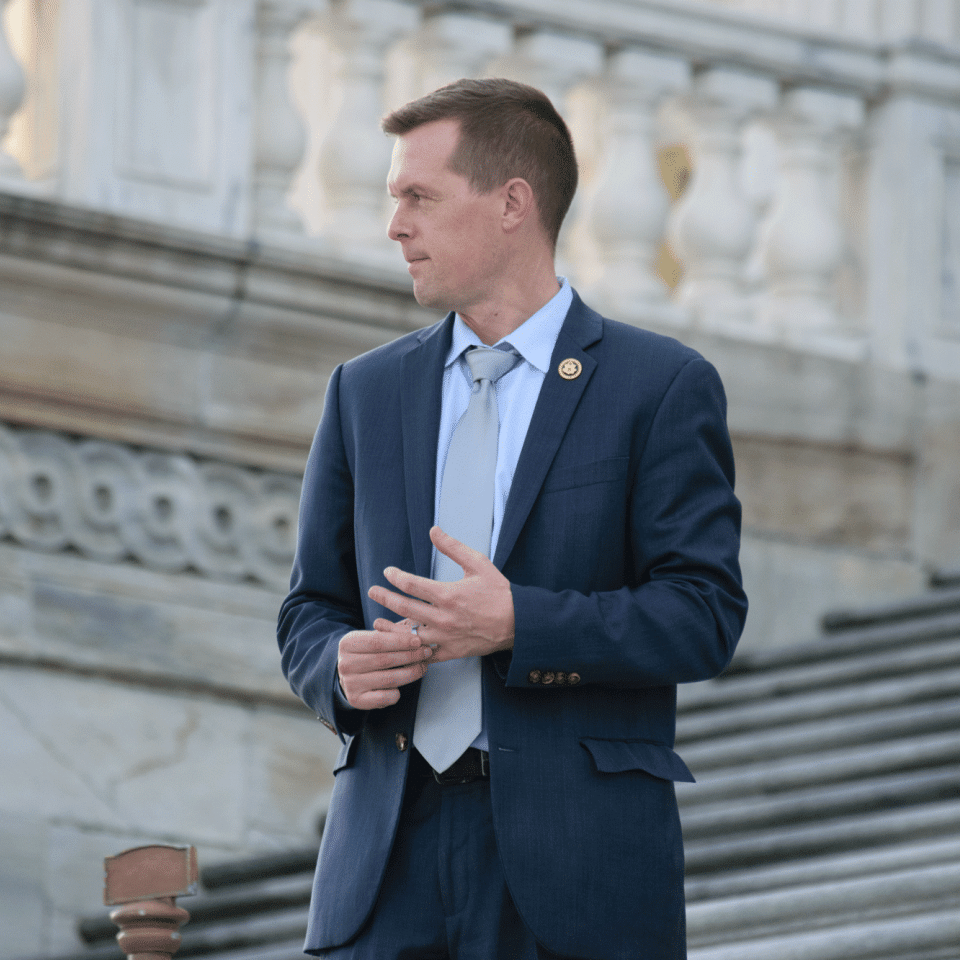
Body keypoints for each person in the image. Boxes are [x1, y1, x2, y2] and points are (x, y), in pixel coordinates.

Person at [277, 77, 747, 960]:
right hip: (383, 862)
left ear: (511, 205)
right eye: (392, 199)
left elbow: (704, 615)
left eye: (419, 197)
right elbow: (308, 609)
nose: (395, 226)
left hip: (578, 873)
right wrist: (337, 666)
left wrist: (519, 623)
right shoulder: (365, 392)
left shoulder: (659, 387)